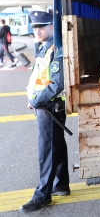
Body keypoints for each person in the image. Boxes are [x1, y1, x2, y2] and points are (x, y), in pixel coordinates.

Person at [20, 11, 69, 213]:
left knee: (47, 151)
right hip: (45, 106)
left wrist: (36, 99)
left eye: (42, 26)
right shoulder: (44, 48)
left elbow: (58, 83)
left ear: (52, 27)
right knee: (56, 145)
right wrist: (32, 97)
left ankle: (43, 195)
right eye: (35, 28)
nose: (37, 31)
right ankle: (61, 184)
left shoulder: (56, 50)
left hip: (50, 107)